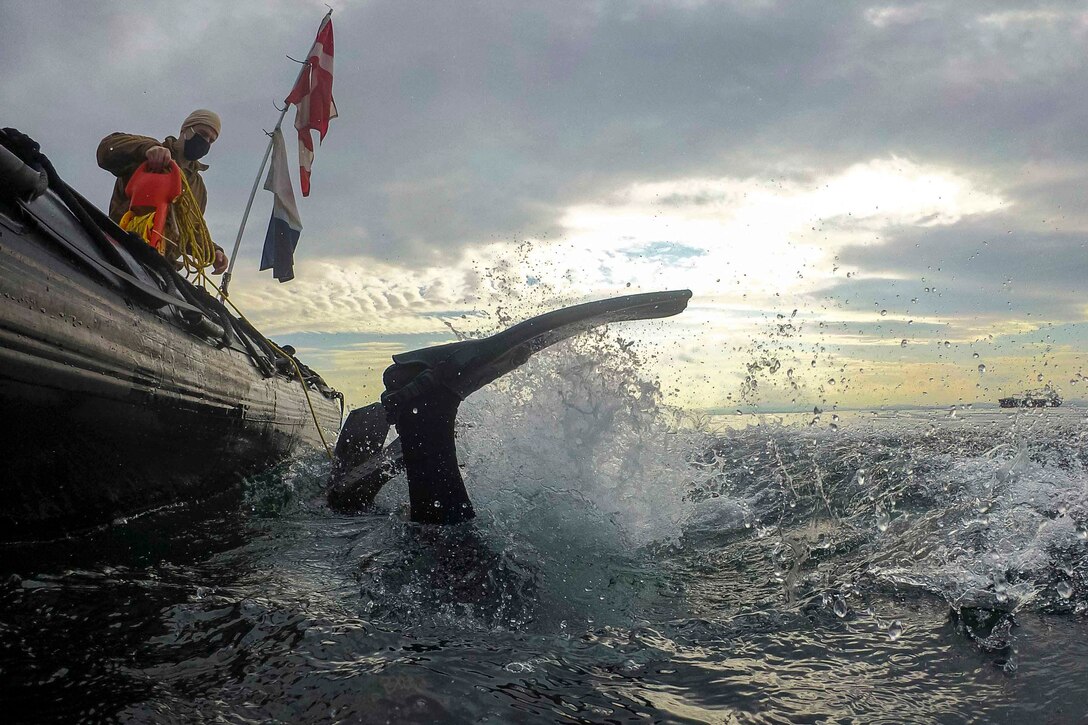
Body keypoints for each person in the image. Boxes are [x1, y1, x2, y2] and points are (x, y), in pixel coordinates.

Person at [97, 109, 228, 273]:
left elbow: (190, 233)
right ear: (185, 130)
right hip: (121, 250)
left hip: (160, 268)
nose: (205, 142)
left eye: (211, 140)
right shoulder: (148, 151)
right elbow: (106, 150)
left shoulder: (198, 188)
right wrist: (148, 149)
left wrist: (213, 251)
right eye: (202, 134)